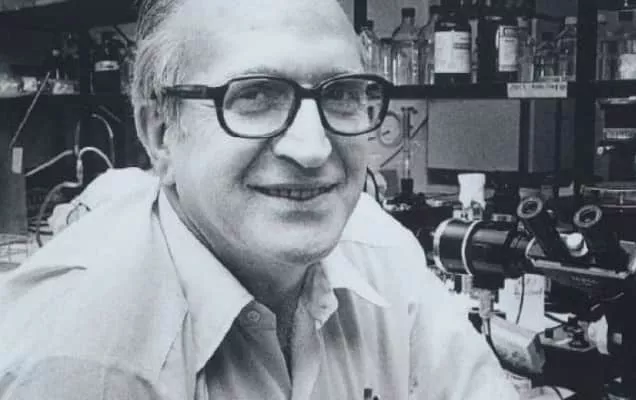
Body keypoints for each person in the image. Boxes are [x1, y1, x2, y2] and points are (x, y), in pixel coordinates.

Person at [0, 0, 520, 399]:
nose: (313, 149)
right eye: (255, 96)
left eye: (341, 94)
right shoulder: (78, 361)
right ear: (160, 133)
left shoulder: (378, 248)